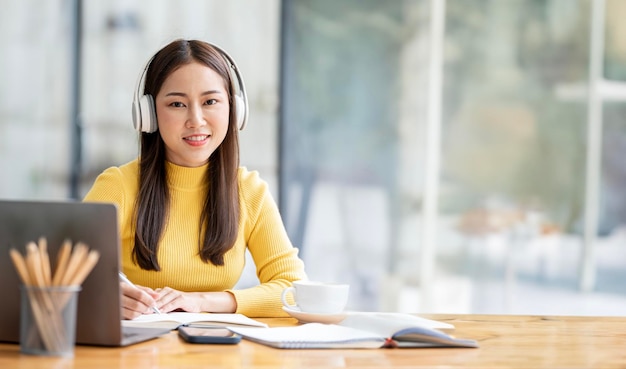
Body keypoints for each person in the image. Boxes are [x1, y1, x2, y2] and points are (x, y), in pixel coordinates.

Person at [83, 39, 307, 319]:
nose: (196, 119)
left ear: (233, 109)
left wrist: (202, 301)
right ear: (149, 114)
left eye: (210, 101)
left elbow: (293, 290)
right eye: (177, 104)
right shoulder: (119, 186)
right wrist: (103, 295)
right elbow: (61, 273)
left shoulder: (249, 191)